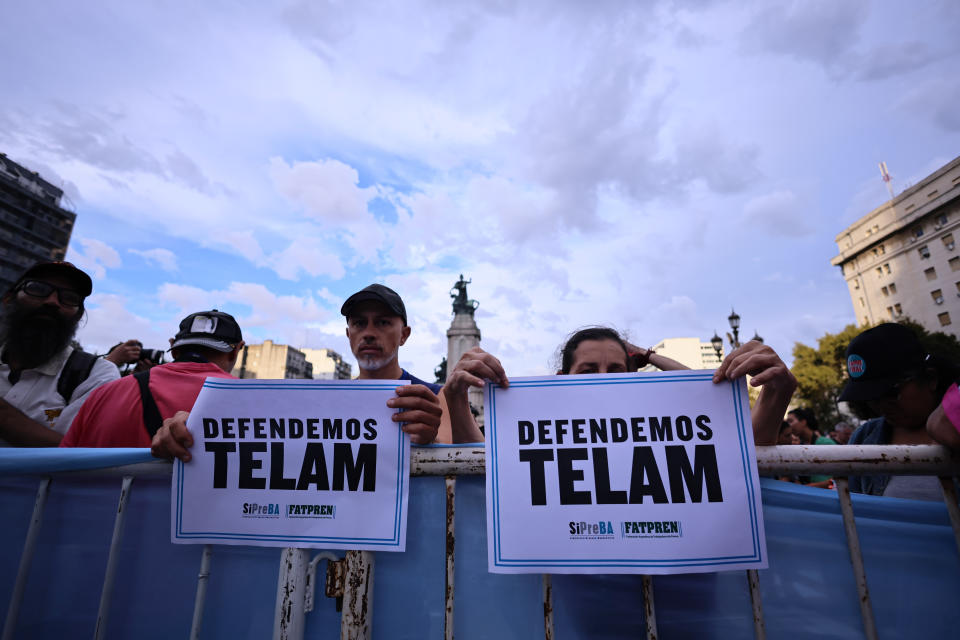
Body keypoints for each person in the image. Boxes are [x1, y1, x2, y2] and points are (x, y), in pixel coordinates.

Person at [152, 285, 444, 460]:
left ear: (404, 334)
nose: (368, 333)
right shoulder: (319, 402)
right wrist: (195, 433)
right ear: (347, 333)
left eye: (382, 323)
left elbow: (469, 463)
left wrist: (432, 442)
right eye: (358, 323)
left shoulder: (433, 398)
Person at [439, 326, 797, 446]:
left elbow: (704, 396)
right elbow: (480, 468)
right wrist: (455, 398)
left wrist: (650, 356)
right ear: (563, 381)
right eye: (588, 369)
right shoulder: (540, 432)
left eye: (615, 368)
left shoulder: (664, 428)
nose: (603, 378)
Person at [61, 310, 243, 448]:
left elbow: (60, 467)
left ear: (173, 346)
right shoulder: (255, 401)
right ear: (236, 350)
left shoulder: (103, 393)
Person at [0, 261, 119, 446]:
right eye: (38, 289)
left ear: (78, 315)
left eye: (69, 298)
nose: (52, 301)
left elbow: (79, 455)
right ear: (8, 298)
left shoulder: (95, 375)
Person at [842, 323, 959, 500]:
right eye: (871, 398)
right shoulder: (863, 438)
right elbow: (853, 511)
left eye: (891, 393)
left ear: (931, 378)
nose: (881, 406)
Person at [785, 408, 835, 487]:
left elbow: (837, 480)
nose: (788, 425)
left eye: (790, 421)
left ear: (803, 422)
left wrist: (809, 487)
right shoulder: (798, 445)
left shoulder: (825, 443)